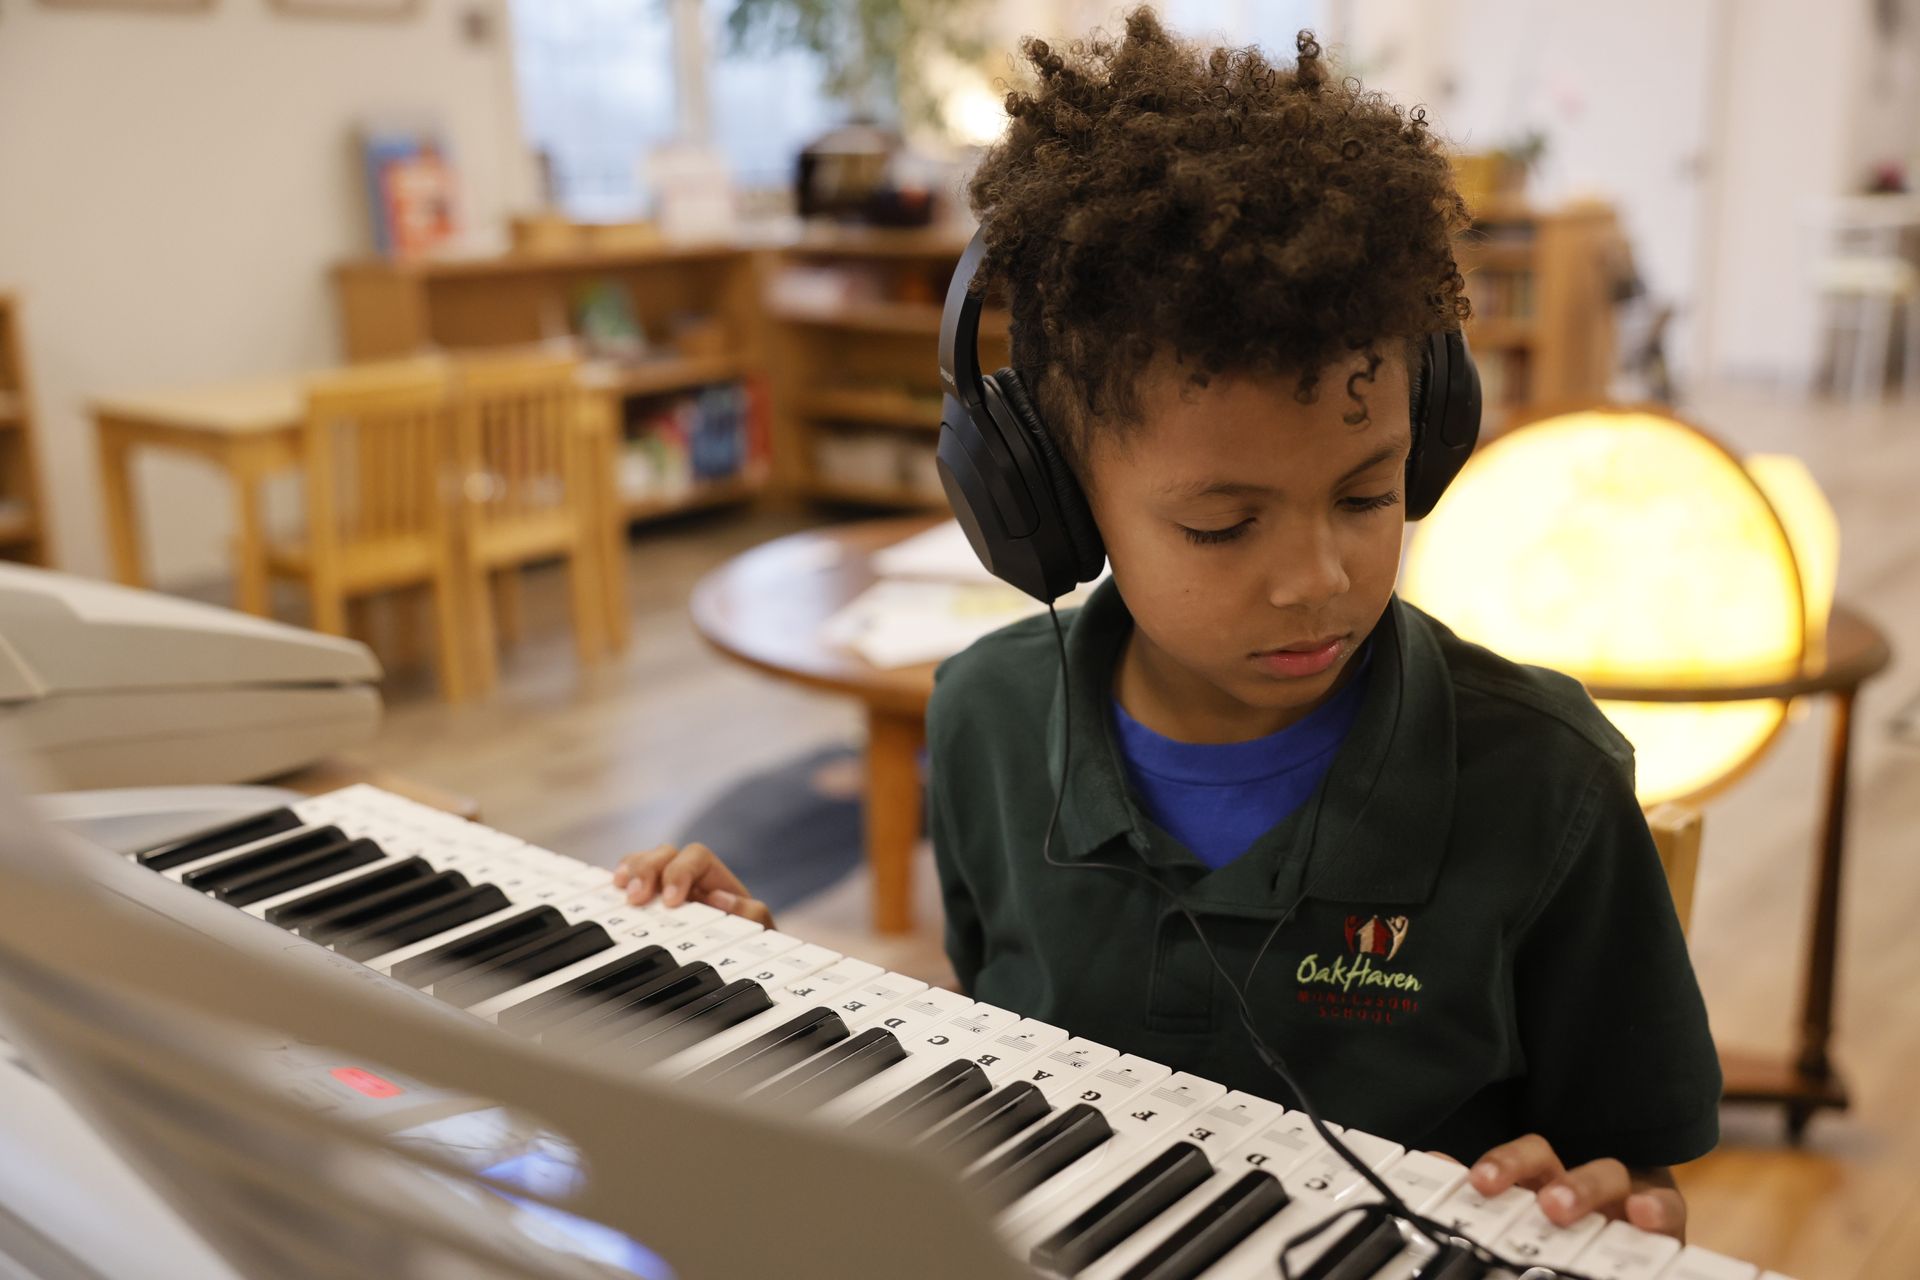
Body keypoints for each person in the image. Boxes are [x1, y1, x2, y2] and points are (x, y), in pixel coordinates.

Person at [615, 7, 1719, 1240]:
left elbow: (1639, 1173)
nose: (1317, 578)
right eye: (1220, 524)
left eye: (1366, 493)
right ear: (1052, 500)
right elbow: (997, 1028)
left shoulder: (1547, 777)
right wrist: (772, 978)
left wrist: (1630, 1207)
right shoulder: (986, 715)